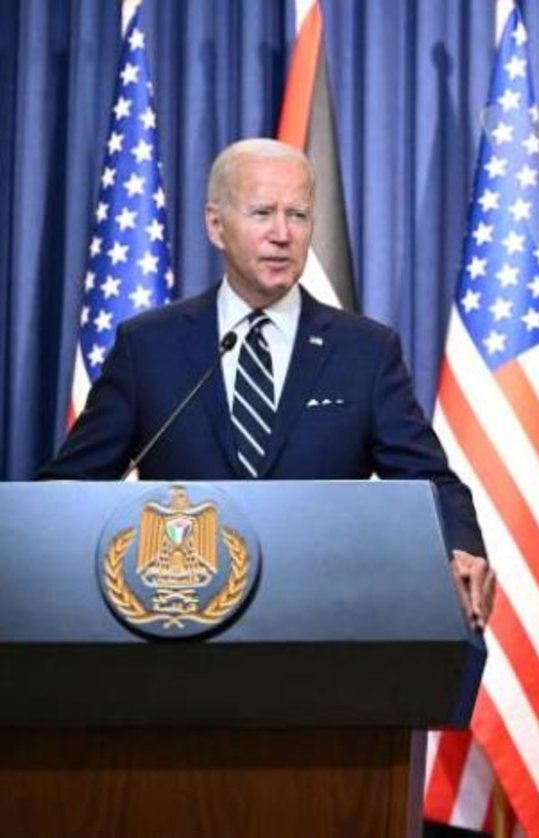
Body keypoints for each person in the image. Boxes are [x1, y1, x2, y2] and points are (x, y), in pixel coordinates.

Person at [39, 138, 495, 629]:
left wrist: (460, 549)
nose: (282, 234)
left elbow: (430, 482)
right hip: (181, 626)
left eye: (298, 215)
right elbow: (69, 489)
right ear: (216, 225)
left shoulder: (365, 351)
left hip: (323, 626)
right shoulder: (149, 346)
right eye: (262, 213)